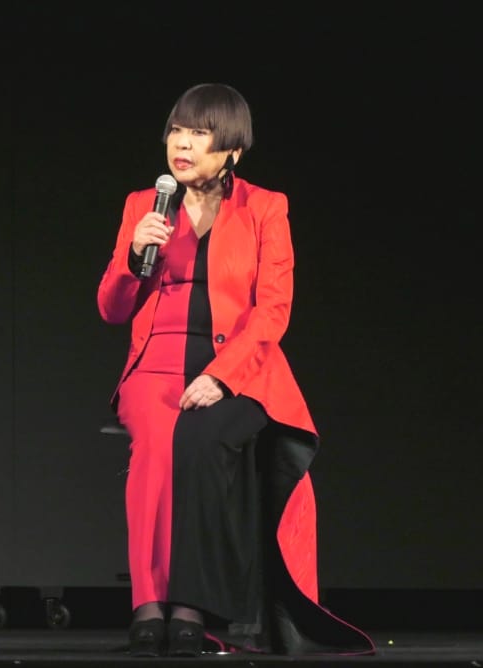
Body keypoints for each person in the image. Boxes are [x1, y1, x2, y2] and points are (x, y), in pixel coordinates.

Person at [97, 83, 375, 658]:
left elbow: (274, 310)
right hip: (156, 365)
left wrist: (222, 377)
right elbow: (112, 309)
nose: (183, 145)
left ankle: (191, 607)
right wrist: (131, 259)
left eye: (200, 134)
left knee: (200, 444)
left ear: (232, 151)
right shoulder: (143, 205)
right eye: (177, 131)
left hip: (242, 369)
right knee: (154, 448)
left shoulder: (265, 207)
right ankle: (149, 604)